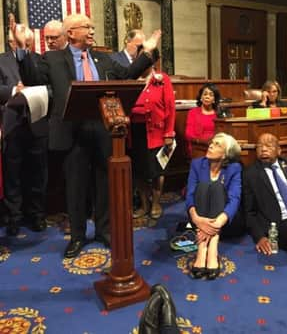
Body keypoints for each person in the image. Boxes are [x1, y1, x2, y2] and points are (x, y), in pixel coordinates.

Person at [13, 13, 160, 258]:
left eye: (93, 27)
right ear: (71, 33)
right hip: (72, 133)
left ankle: (103, 231)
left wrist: (147, 53)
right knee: (76, 187)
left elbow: (127, 74)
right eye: (87, 28)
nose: (92, 31)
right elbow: (31, 77)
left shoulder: (103, 59)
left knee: (104, 184)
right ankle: (78, 236)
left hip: (103, 130)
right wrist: (21, 48)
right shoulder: (53, 59)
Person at [0, 28, 48, 236]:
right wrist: (13, 91)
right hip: (11, 125)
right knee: (13, 174)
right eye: (20, 42)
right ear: (11, 42)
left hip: (37, 123)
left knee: (38, 173)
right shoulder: (1, 61)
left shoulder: (41, 60)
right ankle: (14, 217)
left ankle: (36, 215)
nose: (24, 46)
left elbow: (48, 86)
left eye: (29, 42)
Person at [186, 132, 243, 280]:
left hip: (223, 220)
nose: (211, 145)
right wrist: (196, 218)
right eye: (212, 142)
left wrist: (217, 224)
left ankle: (212, 246)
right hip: (199, 217)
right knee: (204, 186)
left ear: (225, 155)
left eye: (217, 145)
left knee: (217, 187)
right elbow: (190, 195)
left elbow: (234, 199)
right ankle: (202, 248)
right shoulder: (197, 164)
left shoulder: (234, 168)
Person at [131, 51, 175, 220]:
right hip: (135, 132)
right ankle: (144, 204)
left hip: (156, 132)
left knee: (157, 171)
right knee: (139, 171)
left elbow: (170, 108)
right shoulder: (131, 78)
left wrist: (169, 132)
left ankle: (156, 203)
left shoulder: (162, 79)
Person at [185, 83, 220, 158]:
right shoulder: (193, 113)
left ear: (214, 99)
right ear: (201, 97)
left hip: (216, 147)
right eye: (205, 94)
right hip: (198, 147)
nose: (207, 97)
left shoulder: (218, 114)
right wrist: (202, 142)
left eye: (211, 95)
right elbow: (189, 134)